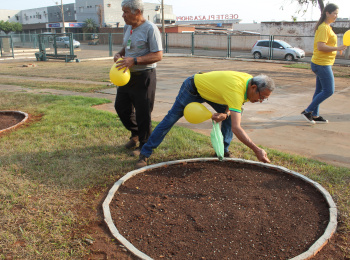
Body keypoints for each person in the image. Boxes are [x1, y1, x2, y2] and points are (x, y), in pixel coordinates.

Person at [135, 71, 275, 168]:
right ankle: (145, 153)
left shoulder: (248, 83)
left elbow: (232, 105)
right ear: (254, 87)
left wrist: (225, 114)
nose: (261, 101)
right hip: (192, 88)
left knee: (230, 116)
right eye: (262, 97)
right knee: (170, 119)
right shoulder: (237, 89)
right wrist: (256, 150)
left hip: (214, 93)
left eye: (265, 99)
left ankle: (223, 150)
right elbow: (236, 127)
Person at [114, 0, 163, 154]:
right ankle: (136, 134)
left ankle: (144, 145)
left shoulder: (150, 29)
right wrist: (120, 54)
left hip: (144, 76)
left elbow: (158, 55)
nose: (123, 15)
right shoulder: (127, 27)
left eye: (126, 12)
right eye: (123, 11)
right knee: (121, 107)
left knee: (143, 112)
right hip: (126, 75)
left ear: (138, 12)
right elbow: (127, 46)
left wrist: (134, 60)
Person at [301, 3, 347, 124]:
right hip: (321, 64)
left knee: (319, 90)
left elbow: (326, 45)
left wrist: (337, 48)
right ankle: (308, 111)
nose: (336, 16)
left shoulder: (327, 27)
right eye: (335, 13)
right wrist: (337, 48)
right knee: (329, 90)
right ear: (327, 13)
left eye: (337, 13)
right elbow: (320, 47)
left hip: (323, 63)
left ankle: (315, 115)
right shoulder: (324, 28)